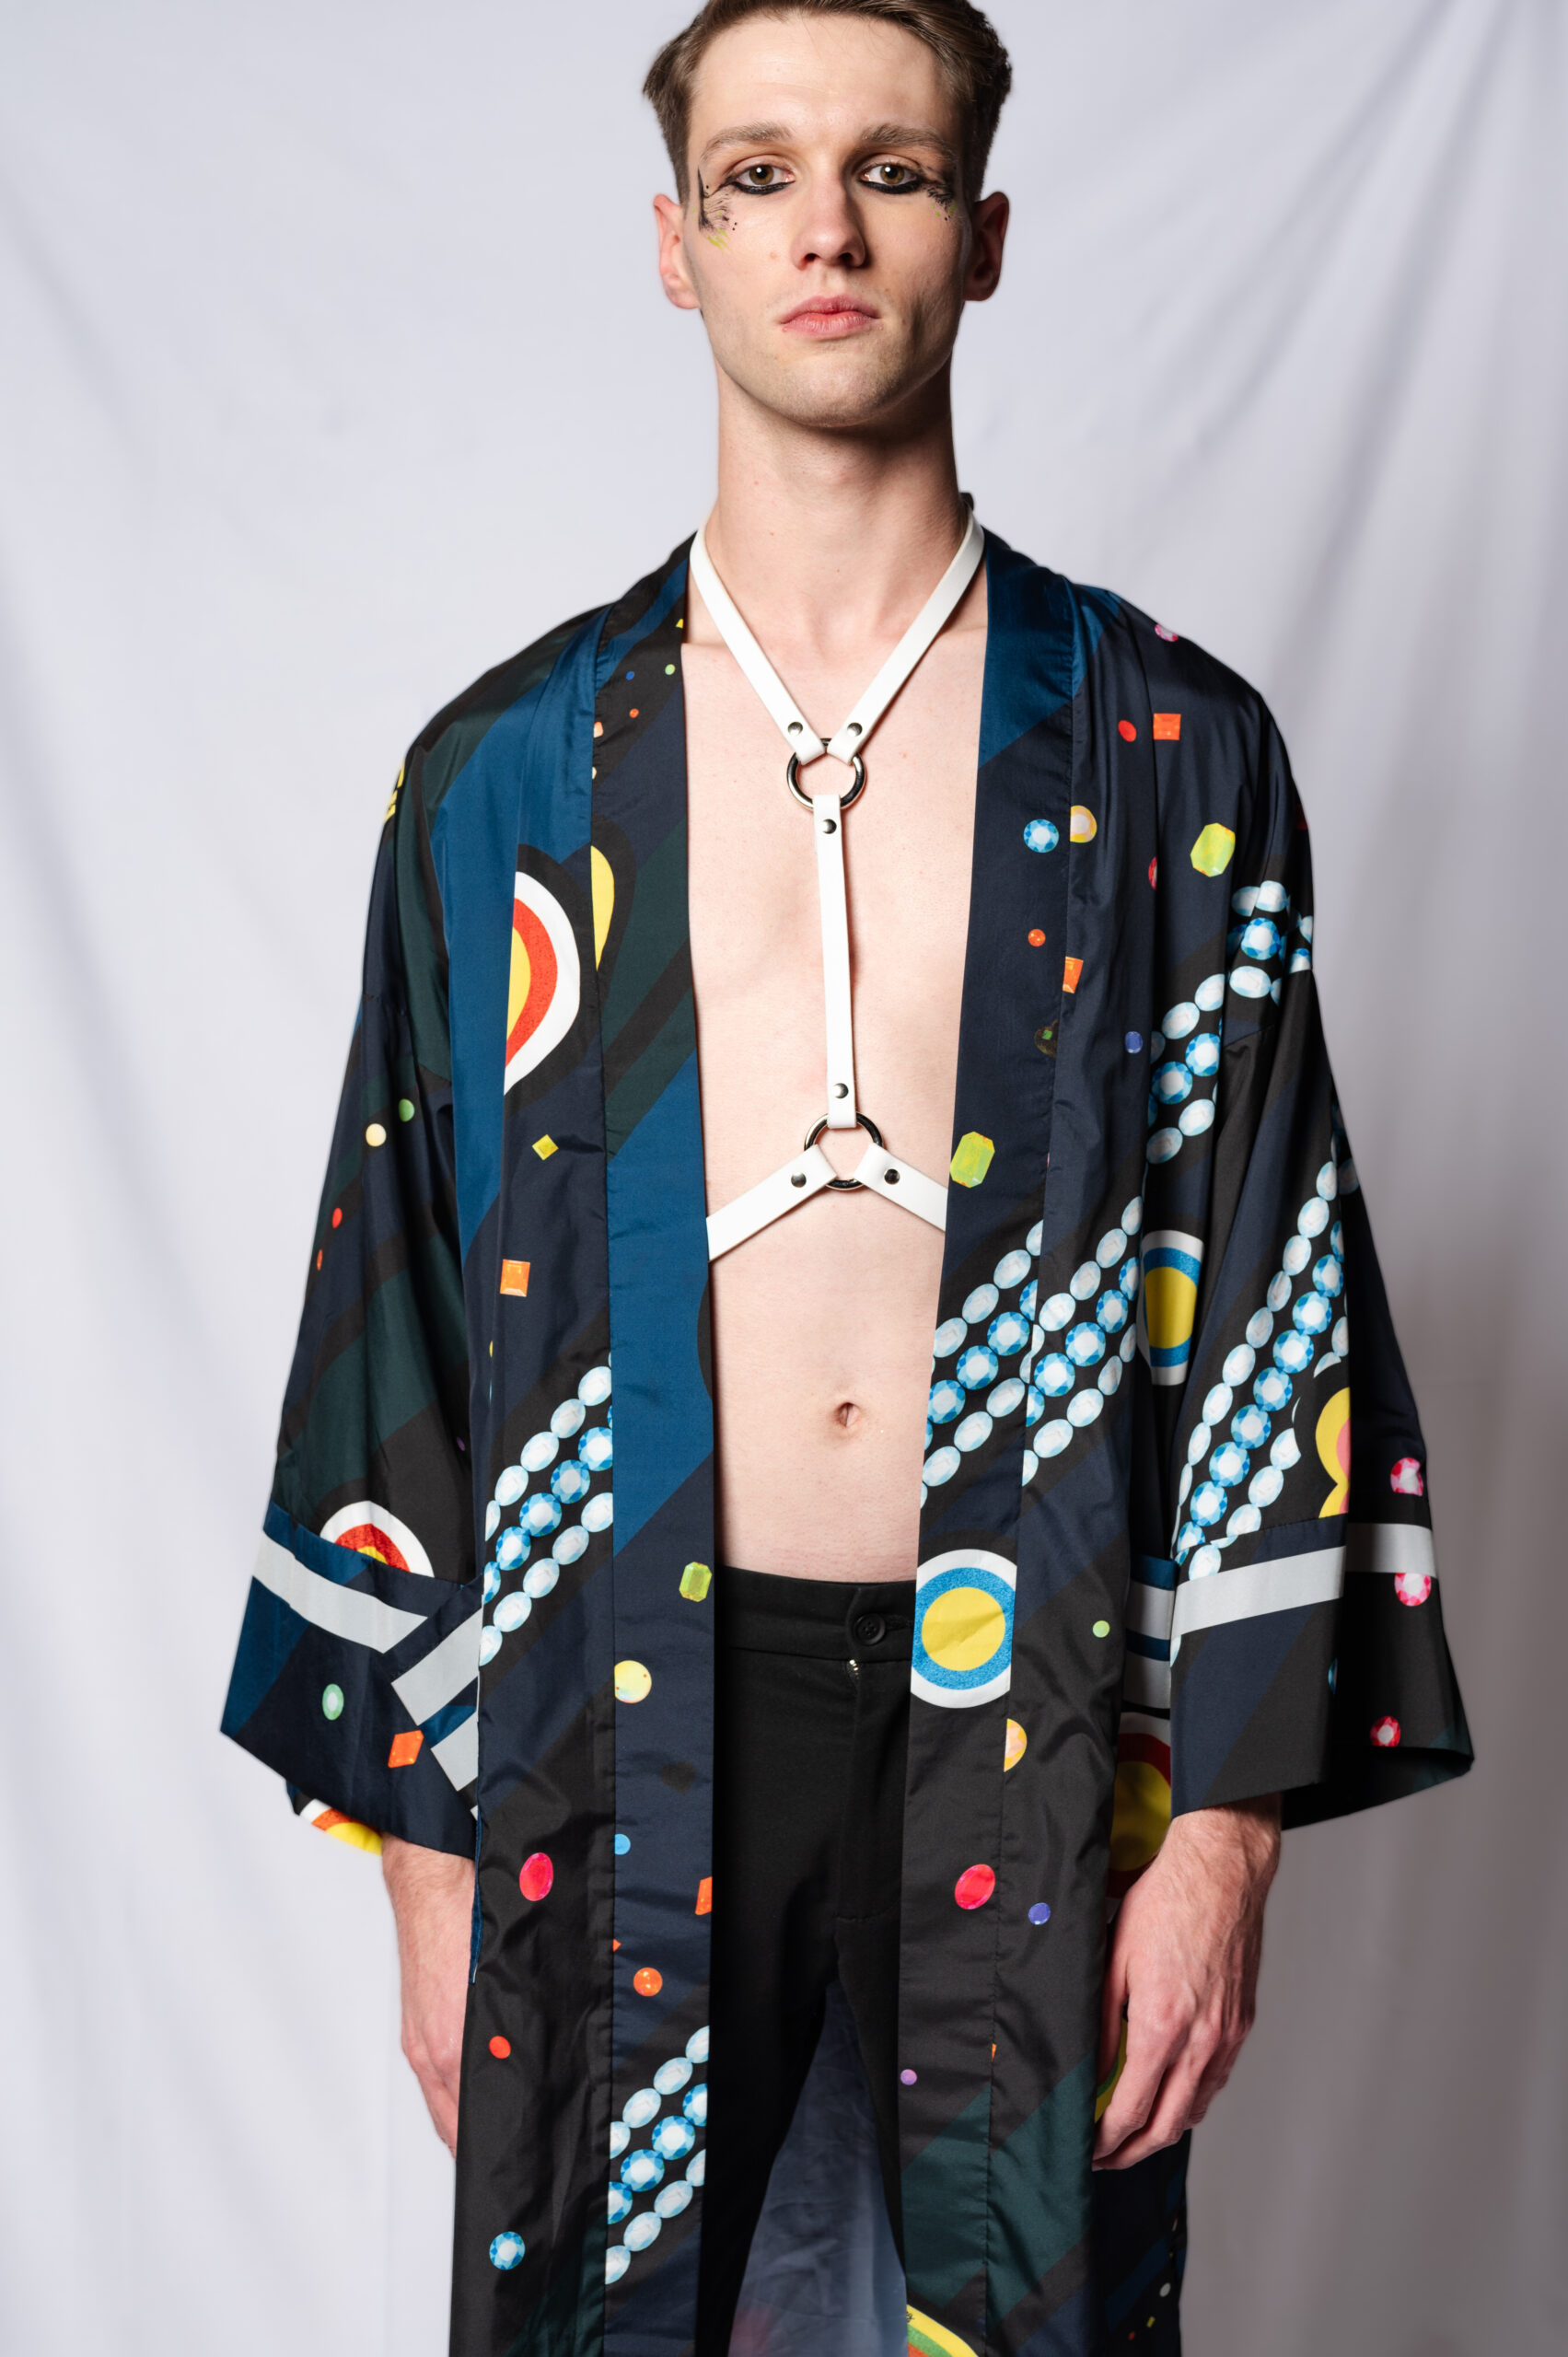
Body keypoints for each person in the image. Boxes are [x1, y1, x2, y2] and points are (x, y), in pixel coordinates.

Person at [221, 4, 1471, 2351]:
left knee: (1040, 2316)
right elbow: (393, 1317)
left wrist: (1222, 1839)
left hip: (1043, 1695)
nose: (824, 227)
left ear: (980, 238)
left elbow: (1274, 1290)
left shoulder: (1171, 748)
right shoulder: (505, 776)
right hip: (610, 1709)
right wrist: (422, 1863)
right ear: (673, 244)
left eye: (889, 173)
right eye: (758, 175)